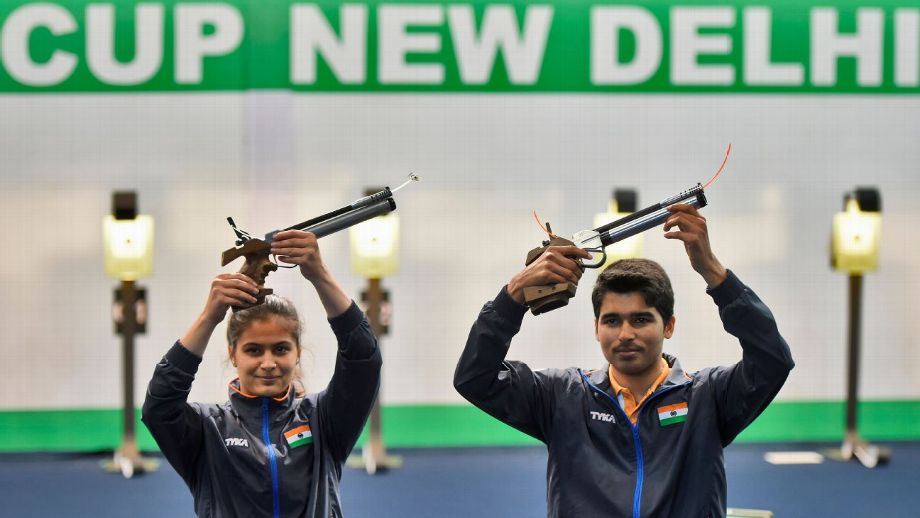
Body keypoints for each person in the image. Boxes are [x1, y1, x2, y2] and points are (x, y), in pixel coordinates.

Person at [454, 204, 794, 518]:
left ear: (669, 325)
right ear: (596, 328)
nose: (625, 333)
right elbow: (475, 377)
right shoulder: (561, 396)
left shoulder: (708, 397)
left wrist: (714, 273)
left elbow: (772, 359)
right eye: (612, 321)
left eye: (641, 319)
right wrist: (514, 295)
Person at [142, 230, 381, 518]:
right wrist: (208, 318)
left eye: (280, 349)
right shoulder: (208, 430)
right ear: (233, 354)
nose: (268, 363)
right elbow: (159, 406)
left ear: (298, 353)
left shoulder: (323, 420)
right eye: (254, 350)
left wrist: (320, 275)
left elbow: (363, 360)